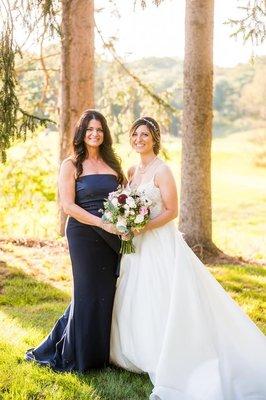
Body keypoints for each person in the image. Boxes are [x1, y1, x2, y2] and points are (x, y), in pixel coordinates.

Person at [110, 116, 266, 400]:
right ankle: (136, 348)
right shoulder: (132, 171)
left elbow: (171, 210)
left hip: (158, 243)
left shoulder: (162, 170)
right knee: (137, 294)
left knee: (163, 295)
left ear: (154, 139)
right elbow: (125, 203)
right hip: (136, 246)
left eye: (145, 135)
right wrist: (125, 224)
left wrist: (143, 226)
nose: (139, 139)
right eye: (135, 134)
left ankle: (166, 351)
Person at [26, 109, 124, 372]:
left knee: (105, 292)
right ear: (82, 133)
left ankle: (102, 354)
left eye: (100, 130)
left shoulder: (112, 164)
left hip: (112, 236)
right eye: (90, 129)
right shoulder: (71, 164)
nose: (95, 134)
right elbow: (68, 206)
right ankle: (79, 357)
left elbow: (123, 199)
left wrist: (123, 222)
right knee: (86, 292)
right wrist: (100, 222)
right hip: (83, 233)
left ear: (105, 134)